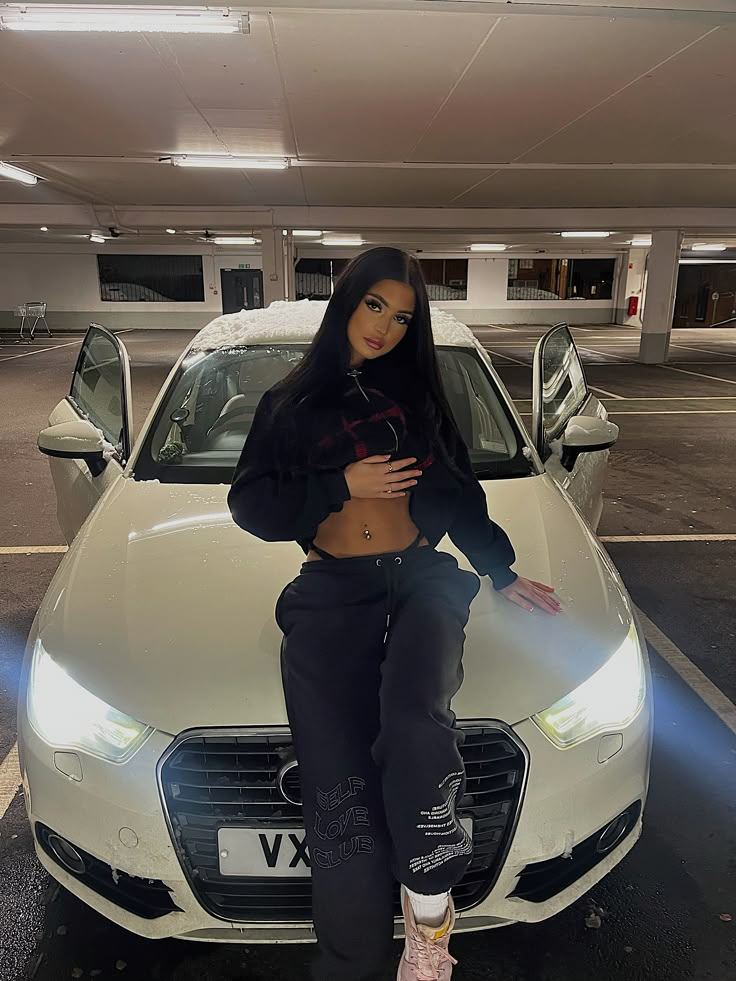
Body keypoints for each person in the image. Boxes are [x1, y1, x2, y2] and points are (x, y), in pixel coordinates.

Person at [227, 247, 560, 981]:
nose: (384, 326)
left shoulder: (419, 402)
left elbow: (459, 490)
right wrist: (340, 481)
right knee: (338, 788)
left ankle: (430, 932)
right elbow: (251, 502)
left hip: (420, 582)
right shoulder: (289, 406)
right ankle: (348, 963)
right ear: (346, 300)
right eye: (375, 305)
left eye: (403, 316)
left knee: (416, 720)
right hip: (331, 591)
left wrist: (499, 569)